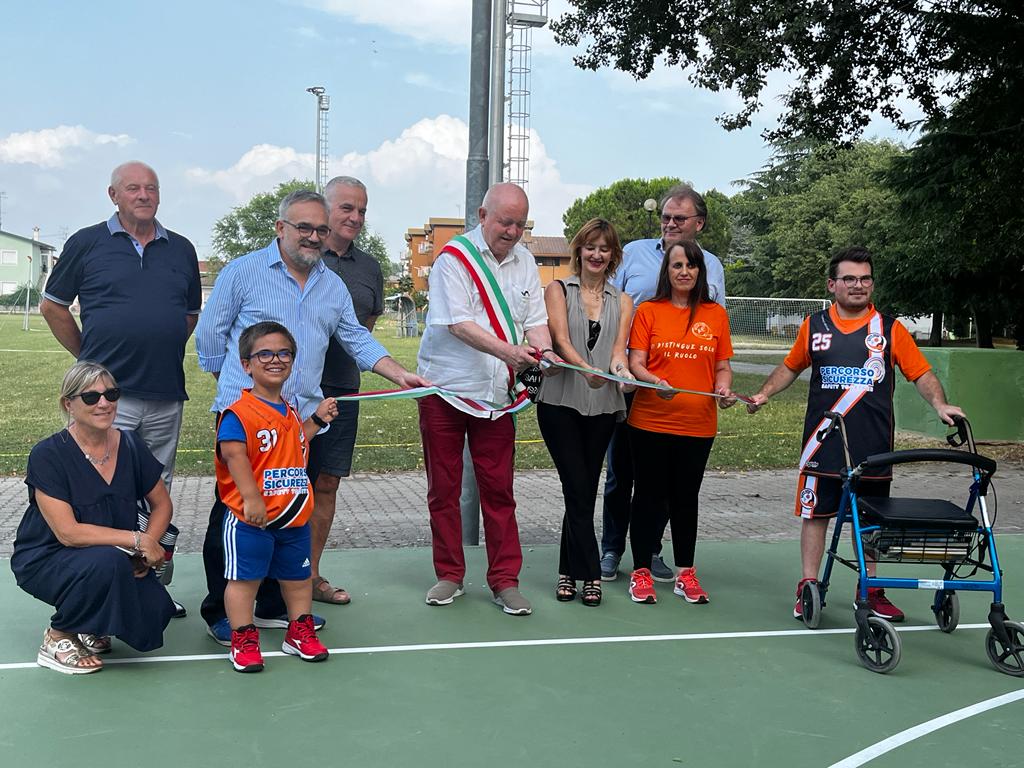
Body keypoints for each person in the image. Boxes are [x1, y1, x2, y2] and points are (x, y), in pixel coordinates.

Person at [196, 188, 428, 644]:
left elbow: (356, 339)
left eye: (320, 229)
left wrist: (398, 372)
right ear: (280, 228)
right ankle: (220, 610)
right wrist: (234, 394)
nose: (314, 236)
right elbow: (210, 339)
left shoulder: (331, 285)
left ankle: (270, 607)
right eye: (304, 227)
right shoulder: (242, 273)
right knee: (236, 513)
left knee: (289, 511)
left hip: (301, 423)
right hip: (246, 422)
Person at [746, 246, 965, 622]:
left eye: (865, 278)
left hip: (873, 449)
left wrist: (940, 405)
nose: (858, 285)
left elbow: (922, 375)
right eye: (849, 278)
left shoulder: (891, 329)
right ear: (832, 285)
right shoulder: (814, 327)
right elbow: (789, 367)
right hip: (822, 445)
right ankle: (809, 587)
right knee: (815, 516)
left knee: (871, 521)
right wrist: (764, 393)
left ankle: (871, 590)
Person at [40, 161, 201, 616]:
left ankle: (151, 587)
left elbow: (188, 316)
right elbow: (53, 306)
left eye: (152, 187)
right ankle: (101, 593)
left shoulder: (182, 249)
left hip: (166, 393)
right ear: (113, 195)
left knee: (158, 493)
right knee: (106, 495)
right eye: (134, 188)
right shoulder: (87, 243)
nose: (144, 195)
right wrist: (90, 368)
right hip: (108, 401)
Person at [416, 182, 555, 616]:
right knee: (444, 487)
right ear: (482, 215)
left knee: (499, 489)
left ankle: (504, 580)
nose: (512, 231)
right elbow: (456, 323)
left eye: (519, 224)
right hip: (446, 390)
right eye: (504, 221)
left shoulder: (527, 261)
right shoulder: (451, 260)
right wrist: (512, 353)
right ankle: (449, 574)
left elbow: (535, 321)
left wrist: (544, 353)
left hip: (498, 394)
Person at [11, 362, 175, 674]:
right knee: (107, 564)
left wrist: (146, 548)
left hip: (112, 554)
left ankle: (91, 621)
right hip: (47, 557)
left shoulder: (130, 444)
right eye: (91, 397)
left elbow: (162, 505)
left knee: (155, 614)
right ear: (68, 404)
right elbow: (68, 534)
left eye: (111, 394)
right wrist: (136, 540)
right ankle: (59, 636)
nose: (104, 403)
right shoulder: (48, 454)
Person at [600, 184, 726, 583]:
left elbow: (712, 329)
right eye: (666, 217)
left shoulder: (713, 266)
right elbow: (605, 306)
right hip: (629, 383)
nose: (670, 224)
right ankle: (611, 548)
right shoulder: (633, 254)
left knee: (667, 483)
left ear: (699, 223)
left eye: (679, 218)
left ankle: (650, 550)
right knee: (622, 472)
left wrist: (717, 381)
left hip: (681, 396)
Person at [217, 322, 338, 672]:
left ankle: (298, 631)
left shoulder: (289, 409)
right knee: (245, 581)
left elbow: (294, 444)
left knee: (298, 579)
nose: (275, 359)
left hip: (293, 516)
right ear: (246, 365)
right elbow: (234, 455)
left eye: (284, 353)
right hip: (251, 519)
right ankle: (242, 637)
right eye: (265, 354)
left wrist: (316, 420)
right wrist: (251, 498)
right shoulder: (239, 412)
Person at [626, 241, 736, 605]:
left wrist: (723, 387)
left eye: (691, 265)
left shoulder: (715, 315)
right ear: (667, 272)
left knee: (685, 499)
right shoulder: (648, 312)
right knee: (648, 497)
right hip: (649, 421)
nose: (684, 271)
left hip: (698, 424)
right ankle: (641, 572)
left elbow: (722, 366)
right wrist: (655, 382)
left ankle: (684, 573)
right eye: (677, 266)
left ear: (700, 271)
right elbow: (637, 362)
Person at [536, 219, 634, 607]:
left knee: (581, 491)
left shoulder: (623, 301)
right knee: (576, 487)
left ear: (613, 256)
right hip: (559, 401)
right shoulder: (558, 289)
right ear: (579, 250)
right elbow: (560, 341)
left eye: (604, 249)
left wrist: (623, 376)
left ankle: (566, 573)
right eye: (590, 247)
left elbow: (617, 355)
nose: (596, 254)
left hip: (604, 406)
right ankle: (591, 573)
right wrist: (588, 371)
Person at [305, 176, 383, 607]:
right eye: (346, 208)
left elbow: (363, 330)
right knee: (283, 481)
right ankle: (269, 580)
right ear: (324, 208)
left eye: (362, 210)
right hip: (294, 392)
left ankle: (311, 576)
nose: (355, 217)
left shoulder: (369, 268)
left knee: (327, 483)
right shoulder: (302, 255)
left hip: (343, 393)